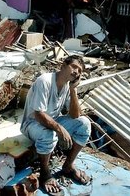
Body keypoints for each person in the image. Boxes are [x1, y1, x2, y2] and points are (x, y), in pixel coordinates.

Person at [20, 55, 92, 196]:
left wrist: (73, 90)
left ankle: (68, 165)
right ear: (63, 65)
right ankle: (45, 173)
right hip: (32, 124)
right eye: (74, 67)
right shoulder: (45, 81)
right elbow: (38, 114)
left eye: (80, 70)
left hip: (52, 121)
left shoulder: (66, 85)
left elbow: (75, 115)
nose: (76, 72)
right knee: (49, 134)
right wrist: (60, 129)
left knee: (85, 124)